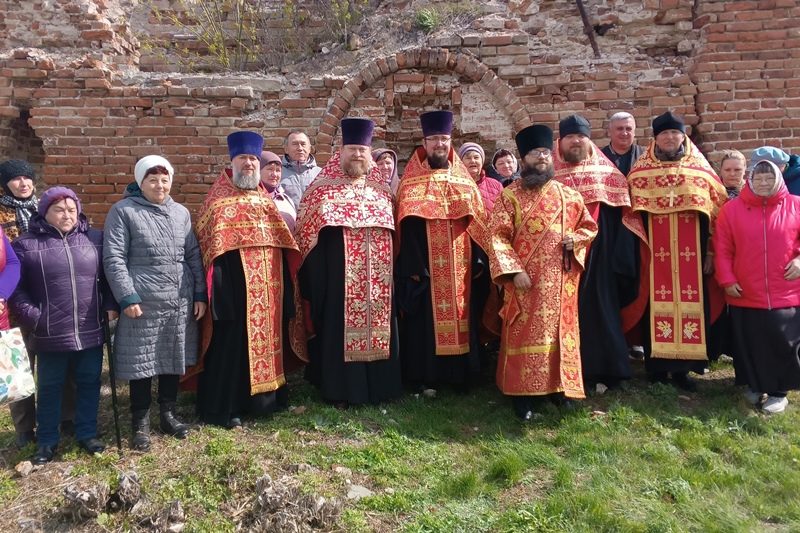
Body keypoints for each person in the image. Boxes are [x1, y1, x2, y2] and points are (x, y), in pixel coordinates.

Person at [193, 131, 303, 429]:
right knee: (232, 345)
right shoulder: (217, 200)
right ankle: (229, 407)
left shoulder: (264, 199)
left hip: (268, 290)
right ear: (232, 161)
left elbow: (283, 242)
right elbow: (209, 247)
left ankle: (266, 402)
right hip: (232, 290)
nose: (249, 163)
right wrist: (219, 293)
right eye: (243, 158)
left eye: (253, 158)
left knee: (268, 341)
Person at [488, 125, 598, 419]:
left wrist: (575, 239)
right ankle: (521, 395)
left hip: (560, 284)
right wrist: (514, 272)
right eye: (535, 153)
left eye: (546, 152)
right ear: (523, 159)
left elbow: (589, 227)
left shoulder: (568, 195)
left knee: (559, 336)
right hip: (525, 283)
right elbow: (497, 236)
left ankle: (559, 389)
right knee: (523, 335)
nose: (541, 157)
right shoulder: (509, 196)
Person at [295, 118, 402, 408]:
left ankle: (381, 388)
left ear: (369, 154)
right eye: (351, 149)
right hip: (337, 282)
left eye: (362, 150)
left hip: (380, 283)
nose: (357, 154)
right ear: (341, 151)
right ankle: (340, 390)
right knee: (337, 331)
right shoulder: (321, 189)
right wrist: (319, 281)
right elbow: (307, 235)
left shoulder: (382, 191)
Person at [103, 156, 207, 451]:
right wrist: (127, 296)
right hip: (143, 301)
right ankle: (141, 422)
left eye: (164, 179)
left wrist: (199, 293)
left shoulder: (180, 213)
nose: (159, 185)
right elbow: (113, 257)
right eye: (152, 180)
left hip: (178, 299)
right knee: (142, 361)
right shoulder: (123, 211)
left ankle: (168, 414)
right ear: (140, 182)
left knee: (172, 355)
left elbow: (192, 255)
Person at [11, 187, 117, 464]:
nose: (67, 215)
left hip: (90, 327)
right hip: (49, 331)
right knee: (50, 386)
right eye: (59, 210)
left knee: (89, 382)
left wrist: (109, 305)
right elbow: (16, 289)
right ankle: (47, 440)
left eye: (72, 210)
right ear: (44, 212)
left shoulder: (95, 239)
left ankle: (87, 433)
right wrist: (34, 317)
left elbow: (108, 277)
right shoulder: (25, 245)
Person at [628, 111, 727, 391]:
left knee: (692, 305)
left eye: (675, 133)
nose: (670, 138)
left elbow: (718, 215)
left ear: (683, 137)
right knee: (654, 306)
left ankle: (685, 370)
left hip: (691, 258)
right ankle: (658, 368)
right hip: (655, 257)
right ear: (655, 139)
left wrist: (710, 253)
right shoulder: (640, 174)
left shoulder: (701, 173)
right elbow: (631, 218)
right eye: (664, 134)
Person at [395, 110, 490, 393]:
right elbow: (406, 226)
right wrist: (414, 266)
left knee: (461, 315)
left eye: (444, 139)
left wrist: (478, 260)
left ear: (450, 143)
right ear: (424, 143)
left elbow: (478, 223)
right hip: (426, 267)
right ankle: (427, 376)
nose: (439, 144)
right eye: (434, 139)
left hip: (460, 265)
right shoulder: (411, 183)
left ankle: (460, 376)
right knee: (425, 322)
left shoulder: (464, 182)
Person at [552, 114, 649, 390]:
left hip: (599, 255)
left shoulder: (607, 173)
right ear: (561, 141)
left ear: (589, 139)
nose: (576, 142)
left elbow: (623, 216)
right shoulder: (550, 172)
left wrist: (619, 258)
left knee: (600, 310)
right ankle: (562, 371)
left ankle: (607, 369)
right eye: (570, 137)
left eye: (581, 137)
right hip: (557, 256)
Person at [0, 159, 76, 449]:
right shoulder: (1, 214)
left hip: (48, 297)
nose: (23, 183)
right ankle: (24, 427)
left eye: (27, 177)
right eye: (15, 179)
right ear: (4, 184)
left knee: (59, 359)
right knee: (20, 365)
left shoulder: (43, 209)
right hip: (12, 304)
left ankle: (67, 416)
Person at [714, 160, 800, 414]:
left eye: (769, 179)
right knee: (749, 343)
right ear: (750, 180)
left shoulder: (796, 205)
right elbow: (722, 248)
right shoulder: (731, 210)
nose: (763, 183)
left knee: (782, 342)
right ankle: (753, 385)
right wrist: (727, 279)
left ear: (778, 180)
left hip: (785, 290)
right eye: (758, 179)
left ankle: (778, 392)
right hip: (746, 290)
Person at [280, 131, 322, 208]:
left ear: (309, 149)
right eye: (295, 144)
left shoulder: (320, 173)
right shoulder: (277, 173)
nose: (300, 148)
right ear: (286, 149)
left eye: (303, 144)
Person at [458, 142, 503, 213]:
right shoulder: (454, 187)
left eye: (476, 157)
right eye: (468, 158)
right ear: (461, 162)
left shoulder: (497, 186)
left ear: (482, 161)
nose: (472, 161)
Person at [260, 150, 297, 232]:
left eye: (278, 170)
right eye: (270, 169)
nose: (274, 174)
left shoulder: (286, 199)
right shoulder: (251, 198)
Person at [600, 112, 645, 176]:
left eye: (628, 129)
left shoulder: (645, 155)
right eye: (619, 129)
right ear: (609, 132)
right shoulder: (599, 157)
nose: (624, 133)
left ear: (634, 132)